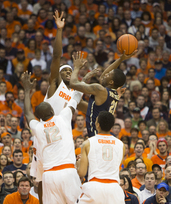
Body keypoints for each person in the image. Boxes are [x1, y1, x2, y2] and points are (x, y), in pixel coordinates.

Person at [22, 71, 82, 203]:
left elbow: (27, 112)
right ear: (52, 111)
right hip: (67, 171)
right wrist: (79, 74)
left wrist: (27, 91)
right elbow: (76, 96)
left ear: (40, 117)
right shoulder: (63, 117)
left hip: (49, 175)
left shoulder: (37, 127)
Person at [70, 50, 137, 137]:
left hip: (96, 136)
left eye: (108, 74)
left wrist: (76, 68)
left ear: (111, 82)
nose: (105, 74)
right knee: (77, 102)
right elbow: (91, 110)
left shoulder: (100, 90)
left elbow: (73, 83)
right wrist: (121, 59)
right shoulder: (114, 94)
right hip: (103, 136)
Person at [77, 111, 125, 204]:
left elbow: (82, 173)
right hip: (114, 189)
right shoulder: (121, 144)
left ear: (97, 125)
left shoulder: (87, 143)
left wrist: (78, 163)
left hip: (95, 187)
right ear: (111, 126)